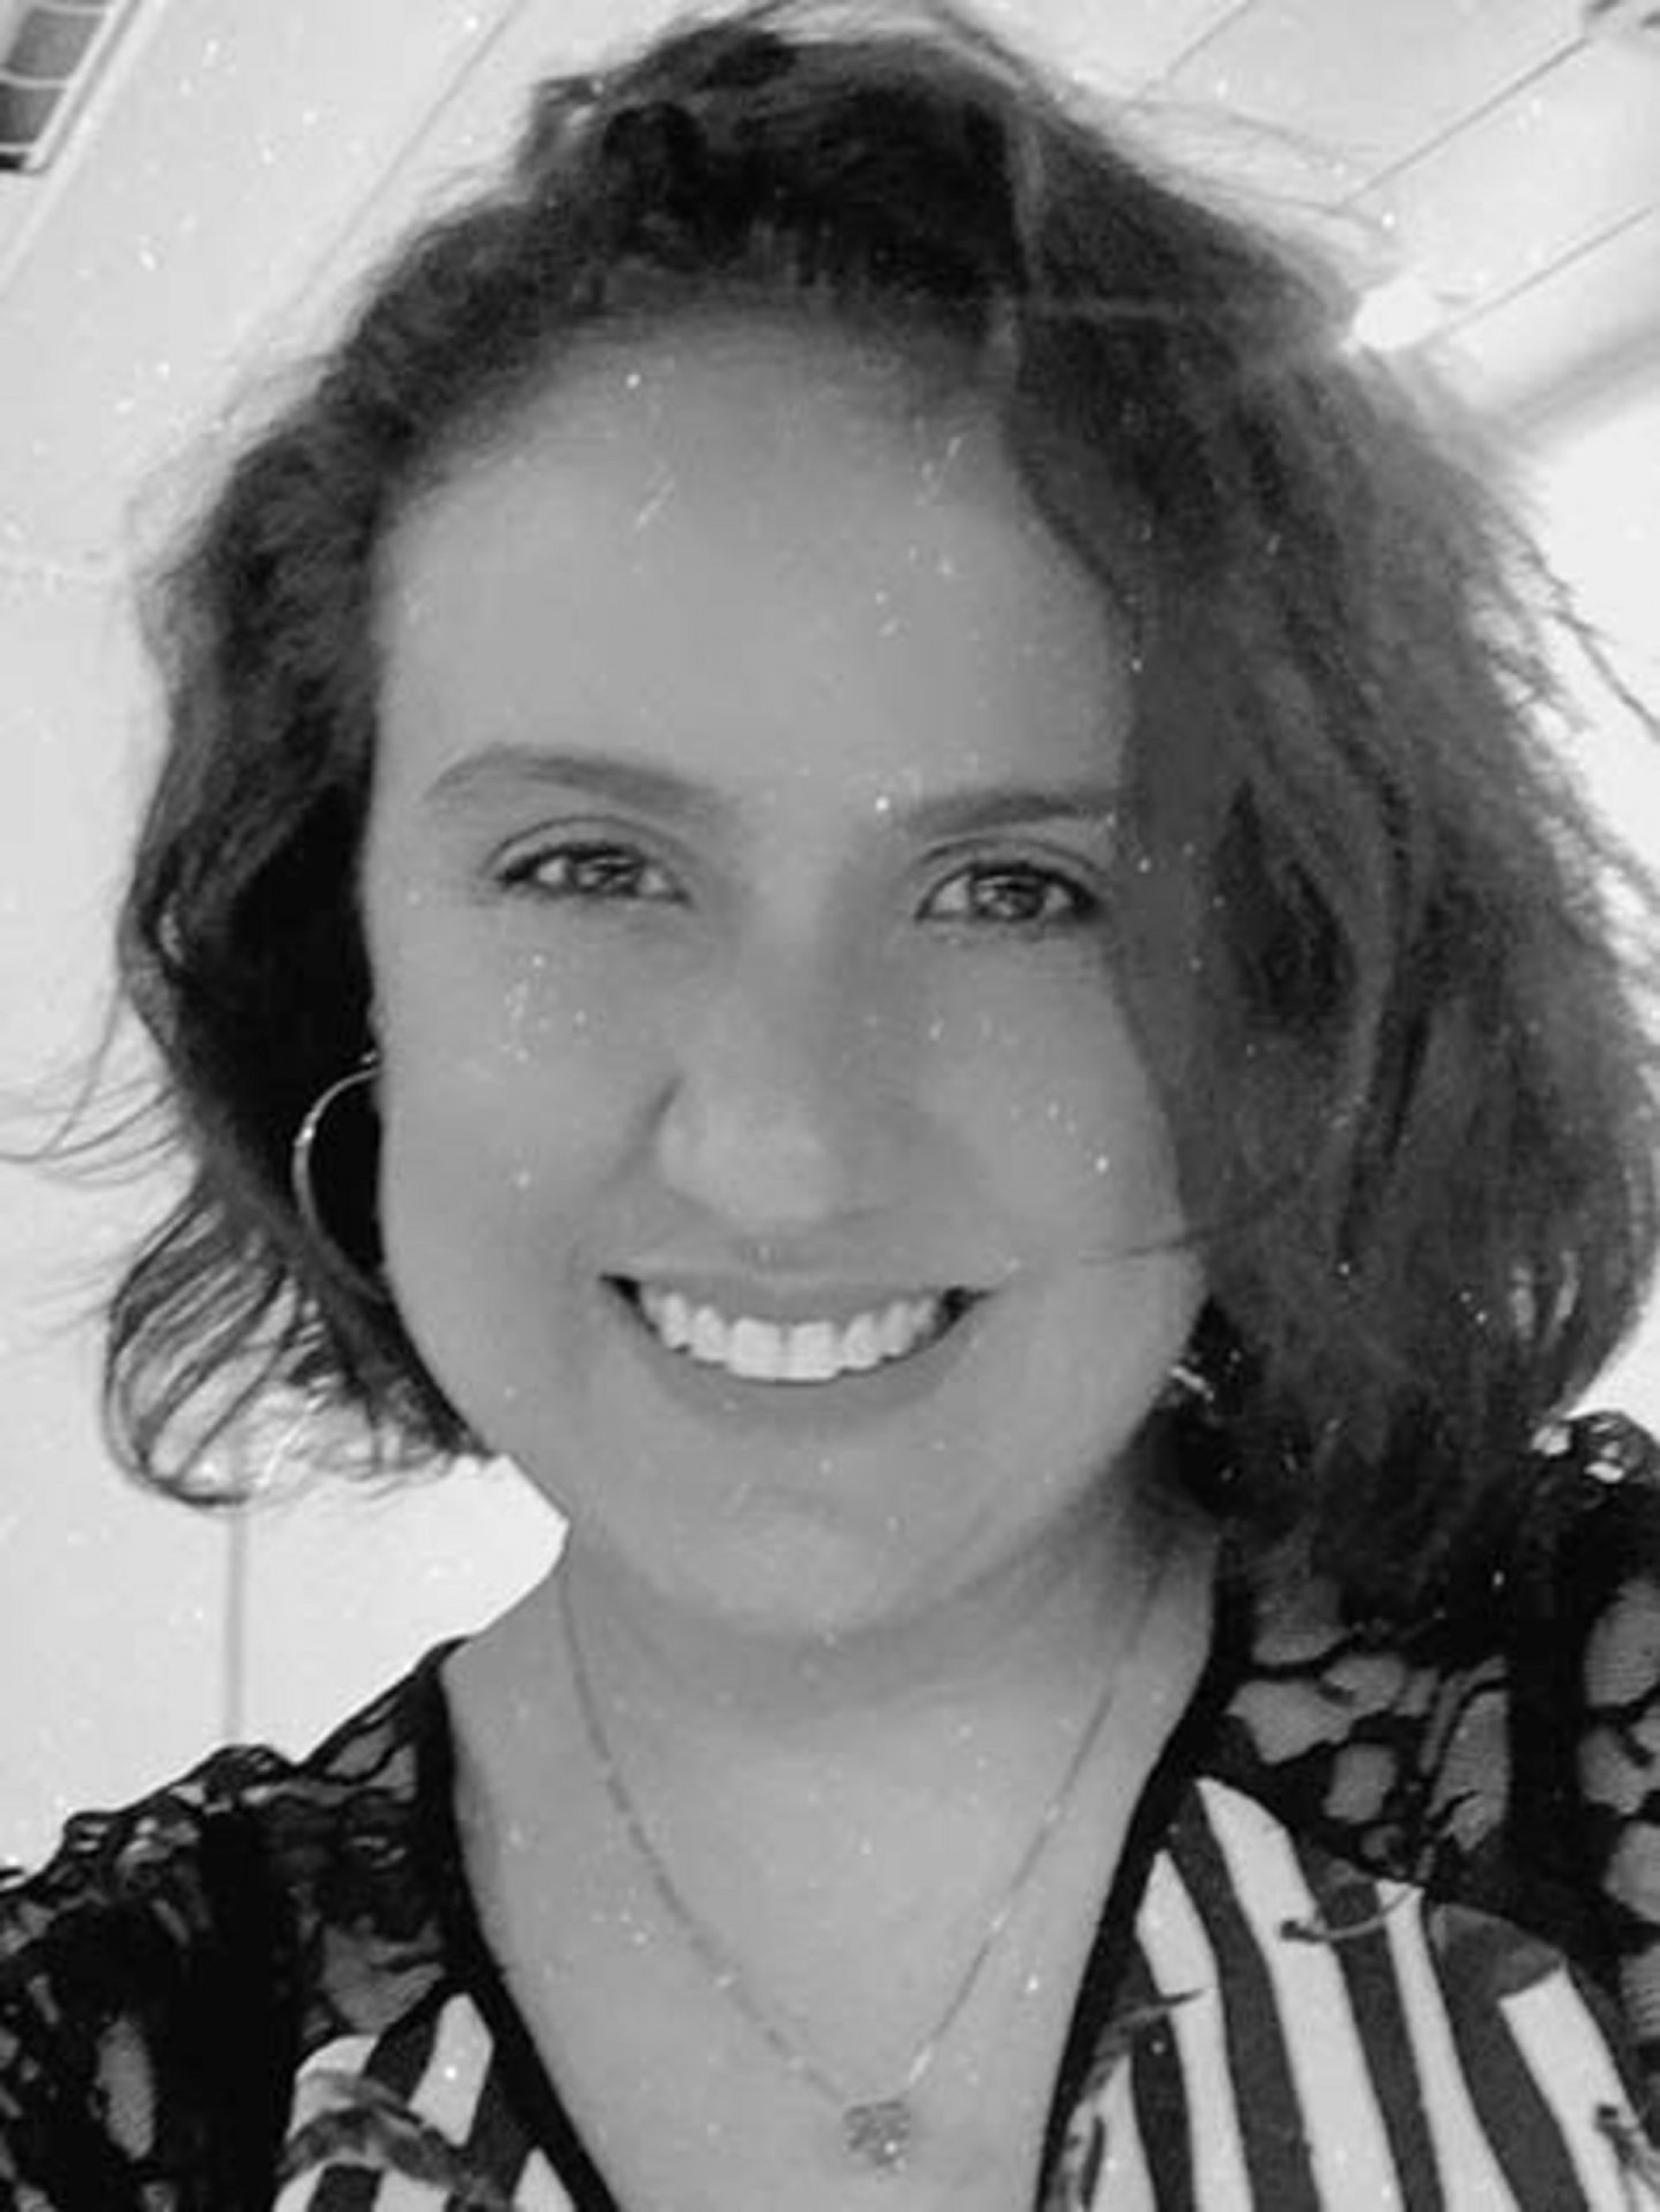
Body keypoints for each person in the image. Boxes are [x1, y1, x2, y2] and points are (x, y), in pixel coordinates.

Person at [4, 0, 1660, 2202]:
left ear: (1290, 988)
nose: (782, 1148)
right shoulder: (105, 2072)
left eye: (1020, 889)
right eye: (588, 869)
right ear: (343, 956)